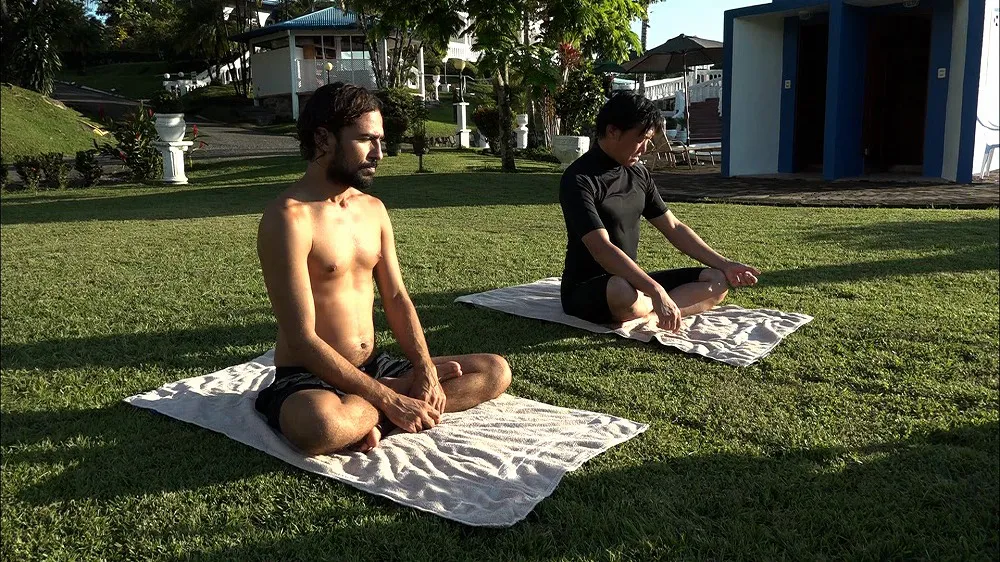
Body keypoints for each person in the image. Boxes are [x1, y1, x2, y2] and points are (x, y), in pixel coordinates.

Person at [254, 83, 511, 455]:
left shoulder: (373, 209)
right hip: (312, 377)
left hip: (375, 365)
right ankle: (389, 406)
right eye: (365, 140)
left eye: (380, 140)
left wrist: (423, 368)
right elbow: (301, 339)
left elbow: (395, 296)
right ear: (323, 139)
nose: (379, 153)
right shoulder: (288, 219)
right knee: (319, 427)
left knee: (495, 370)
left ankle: (379, 412)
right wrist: (390, 399)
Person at [559, 92, 760, 332]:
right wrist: (656, 290)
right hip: (589, 287)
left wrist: (725, 264)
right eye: (640, 139)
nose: (644, 148)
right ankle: (654, 307)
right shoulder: (579, 179)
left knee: (716, 280)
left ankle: (652, 315)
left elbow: (673, 228)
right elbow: (601, 249)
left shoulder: (638, 174)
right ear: (613, 131)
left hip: (632, 280)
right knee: (622, 292)